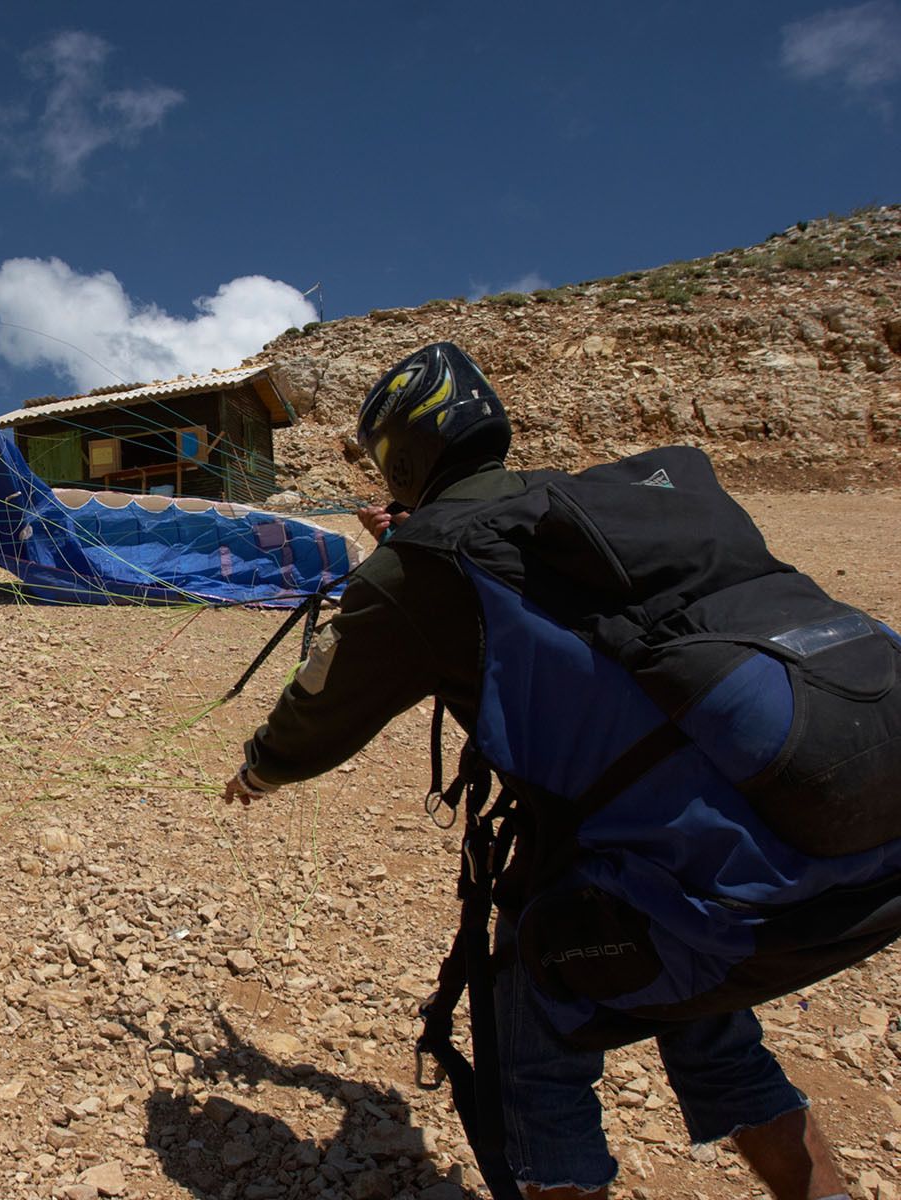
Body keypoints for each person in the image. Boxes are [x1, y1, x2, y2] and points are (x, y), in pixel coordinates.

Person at [220, 343, 850, 1200]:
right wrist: (418, 544)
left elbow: (324, 712)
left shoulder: (425, 563)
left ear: (400, 455)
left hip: (650, 872)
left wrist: (261, 769)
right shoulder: (577, 503)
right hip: (770, 827)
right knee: (708, 1020)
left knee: (537, 1055)